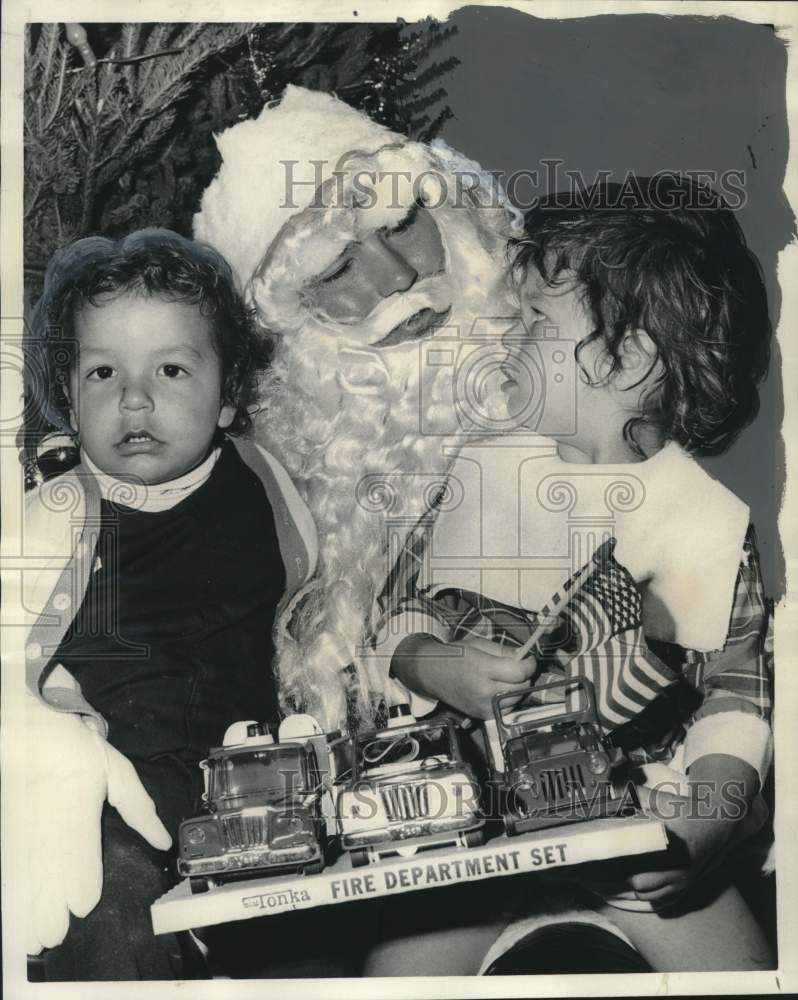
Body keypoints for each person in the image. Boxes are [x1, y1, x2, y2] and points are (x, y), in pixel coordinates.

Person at [380, 178, 775, 972]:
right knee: (399, 969)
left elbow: (737, 699)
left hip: (631, 815)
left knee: (737, 968)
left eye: (534, 323)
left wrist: (697, 831)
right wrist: (430, 662)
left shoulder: (702, 522)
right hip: (471, 824)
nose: (505, 340)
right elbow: (395, 613)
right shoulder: (477, 475)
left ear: (624, 359)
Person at [20, 229, 324, 979]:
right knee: (109, 909)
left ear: (230, 397)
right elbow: (12, 652)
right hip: (116, 804)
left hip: (256, 791)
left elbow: (309, 616)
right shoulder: (54, 512)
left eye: (172, 369)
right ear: (66, 397)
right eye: (101, 373)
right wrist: (53, 701)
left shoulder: (262, 484)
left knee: (322, 939)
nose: (134, 397)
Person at [194, 84, 521, 735]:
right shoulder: (274, 492)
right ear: (298, 310)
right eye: (341, 267)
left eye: (401, 226)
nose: (398, 276)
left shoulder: (573, 358)